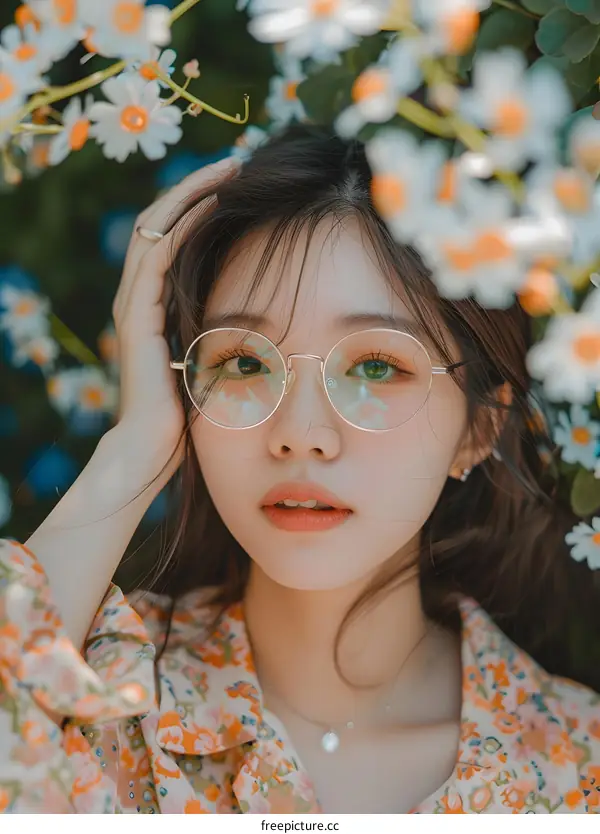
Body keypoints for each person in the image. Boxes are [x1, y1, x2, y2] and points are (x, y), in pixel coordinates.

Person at [1, 125, 599, 815]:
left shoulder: (574, 771)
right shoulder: (101, 707)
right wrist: (133, 448)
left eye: (377, 366)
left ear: (478, 429)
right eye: (245, 362)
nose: (301, 436)